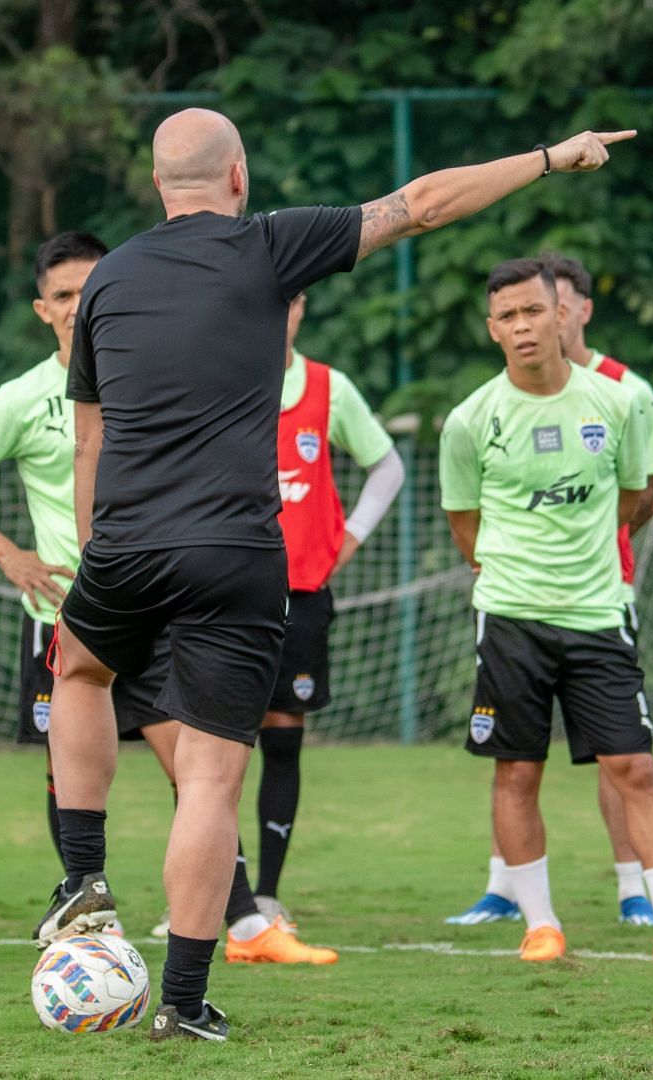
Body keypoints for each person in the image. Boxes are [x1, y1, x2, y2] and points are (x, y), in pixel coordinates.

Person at [35, 108, 636, 1042]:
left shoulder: (106, 278)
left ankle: (81, 878)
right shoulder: (269, 245)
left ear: (160, 186)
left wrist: (94, 556)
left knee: (80, 668)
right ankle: (185, 1005)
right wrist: (554, 157)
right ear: (239, 176)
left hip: (122, 542)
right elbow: (425, 203)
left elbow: (89, 437)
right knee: (210, 782)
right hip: (237, 554)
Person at [0, 230, 336, 963]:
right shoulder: (23, 397)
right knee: (71, 779)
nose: (78, 304)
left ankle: (241, 922)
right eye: (63, 295)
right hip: (71, 615)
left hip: (154, 602)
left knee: (197, 770)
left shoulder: (149, 371)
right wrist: (10, 555)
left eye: (90, 288)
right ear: (42, 309)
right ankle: (93, 924)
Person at [440, 257, 653, 967]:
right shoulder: (470, 422)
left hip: (597, 614)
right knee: (517, 773)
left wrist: (581, 549)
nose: (524, 326)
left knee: (636, 767)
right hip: (509, 620)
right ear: (492, 329)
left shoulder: (617, 404)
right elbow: (463, 521)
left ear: (563, 314)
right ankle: (540, 925)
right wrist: (511, 565)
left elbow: (639, 497)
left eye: (536, 311)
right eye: (509, 316)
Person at [253, 290, 404, 923]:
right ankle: (218, 895)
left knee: (282, 743)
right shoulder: (220, 377)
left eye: (288, 301)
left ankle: (265, 893)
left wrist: (348, 539)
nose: (275, 310)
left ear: (302, 307)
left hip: (302, 594)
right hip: (222, 591)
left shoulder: (326, 386)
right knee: (208, 750)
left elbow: (387, 467)